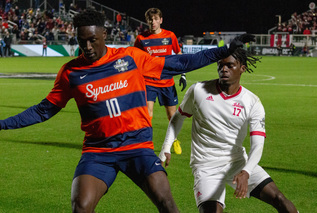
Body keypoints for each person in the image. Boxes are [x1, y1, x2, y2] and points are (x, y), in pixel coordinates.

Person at [0, 9, 249, 213]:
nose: (86, 46)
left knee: (167, 204)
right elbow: (44, 110)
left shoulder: (130, 58)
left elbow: (179, 62)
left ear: (104, 35)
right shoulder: (70, 73)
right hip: (98, 151)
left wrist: (223, 50)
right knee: (80, 207)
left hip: (137, 147)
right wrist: (2, 123)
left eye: (92, 40)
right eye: (81, 41)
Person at [159, 45, 298, 212]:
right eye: (220, 65)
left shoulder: (252, 102)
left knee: (279, 199)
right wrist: (166, 146)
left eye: (229, 65)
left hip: (237, 162)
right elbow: (178, 117)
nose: (223, 69)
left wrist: (246, 171)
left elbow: (257, 145)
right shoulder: (198, 91)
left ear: (242, 68)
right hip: (206, 166)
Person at [134, 8, 186, 155]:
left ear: (161, 20)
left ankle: (174, 140)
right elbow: (135, 58)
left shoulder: (170, 36)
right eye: (150, 19)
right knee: (147, 114)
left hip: (167, 82)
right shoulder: (141, 39)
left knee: (172, 116)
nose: (153, 22)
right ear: (147, 21)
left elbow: (179, 54)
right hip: (149, 81)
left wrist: (183, 74)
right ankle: (146, 143)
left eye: (156, 19)